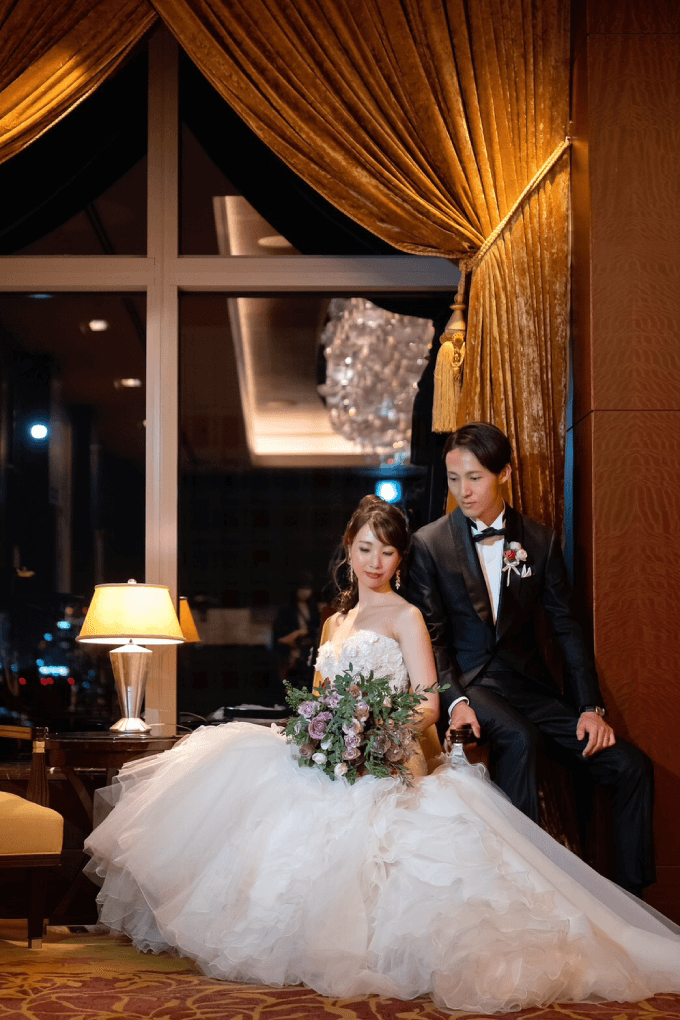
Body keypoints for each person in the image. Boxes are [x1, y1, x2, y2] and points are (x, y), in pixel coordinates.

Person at [84, 495, 680, 1014]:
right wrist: (320, 731)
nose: (375, 562)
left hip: (388, 756)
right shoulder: (334, 623)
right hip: (331, 757)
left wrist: (375, 730)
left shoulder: (407, 615)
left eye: (388, 552)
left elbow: (428, 702)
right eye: (366, 548)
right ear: (349, 548)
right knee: (239, 765)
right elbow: (320, 698)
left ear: (400, 559)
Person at [406, 422, 654, 897]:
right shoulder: (429, 544)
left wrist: (590, 707)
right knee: (520, 738)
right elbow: (433, 639)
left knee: (630, 766)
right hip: (472, 685)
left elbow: (566, 629)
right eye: (454, 479)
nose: (463, 491)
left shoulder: (539, 541)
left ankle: (632, 901)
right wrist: (455, 701)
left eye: (474, 478)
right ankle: (524, 891)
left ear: (504, 473)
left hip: (530, 688)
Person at [271, 571, 321, 689]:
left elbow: (317, 627)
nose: (305, 592)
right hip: (291, 651)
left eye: (307, 588)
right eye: (302, 588)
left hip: (309, 650)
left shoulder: (313, 608)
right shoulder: (286, 609)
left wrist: (307, 632)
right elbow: (278, 635)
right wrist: (296, 634)